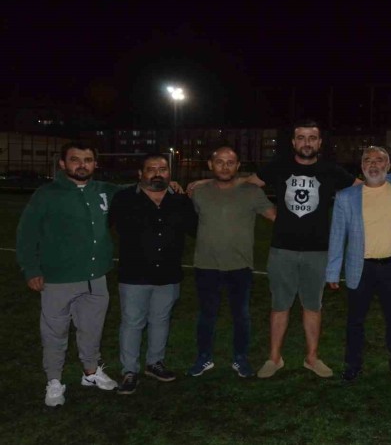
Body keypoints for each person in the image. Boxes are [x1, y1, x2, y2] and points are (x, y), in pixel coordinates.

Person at [249, 120, 360, 379]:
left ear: (319, 143)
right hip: (282, 250)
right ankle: (274, 358)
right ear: (293, 142)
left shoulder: (331, 170)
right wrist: (268, 211)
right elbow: (248, 184)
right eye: (301, 137)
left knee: (313, 306)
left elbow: (365, 187)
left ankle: (312, 357)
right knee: (280, 306)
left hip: (317, 251)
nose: (306, 143)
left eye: (312, 138)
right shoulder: (279, 166)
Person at [17, 143, 120, 406]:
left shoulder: (105, 190)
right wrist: (31, 269)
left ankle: (91, 372)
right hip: (58, 278)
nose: (82, 165)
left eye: (88, 159)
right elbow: (27, 233)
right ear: (62, 164)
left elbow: (140, 189)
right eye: (75, 159)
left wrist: (175, 184)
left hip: (96, 277)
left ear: (95, 163)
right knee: (54, 332)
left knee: (92, 329)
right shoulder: (46, 194)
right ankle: (54, 380)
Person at [326, 147, 391, 384]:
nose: (373, 164)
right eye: (368, 160)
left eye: (379, 160)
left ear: (388, 166)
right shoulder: (346, 196)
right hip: (360, 267)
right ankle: (352, 366)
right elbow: (337, 235)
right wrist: (333, 272)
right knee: (355, 321)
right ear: (362, 167)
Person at [109, 153, 198, 394]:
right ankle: (129, 370)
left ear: (170, 173)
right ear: (141, 173)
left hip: (168, 274)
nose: (158, 173)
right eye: (151, 169)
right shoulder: (124, 198)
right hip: (134, 274)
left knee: (161, 320)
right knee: (132, 323)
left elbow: (196, 229)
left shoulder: (180, 200)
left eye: (163, 169)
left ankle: (154, 363)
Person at [187, 146, 276, 378]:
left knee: (241, 315)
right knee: (207, 315)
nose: (225, 167)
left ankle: (240, 358)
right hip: (206, 265)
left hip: (240, 265)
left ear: (238, 166)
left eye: (230, 162)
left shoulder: (252, 192)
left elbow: (274, 216)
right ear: (210, 164)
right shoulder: (198, 192)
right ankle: (204, 357)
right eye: (219, 162)